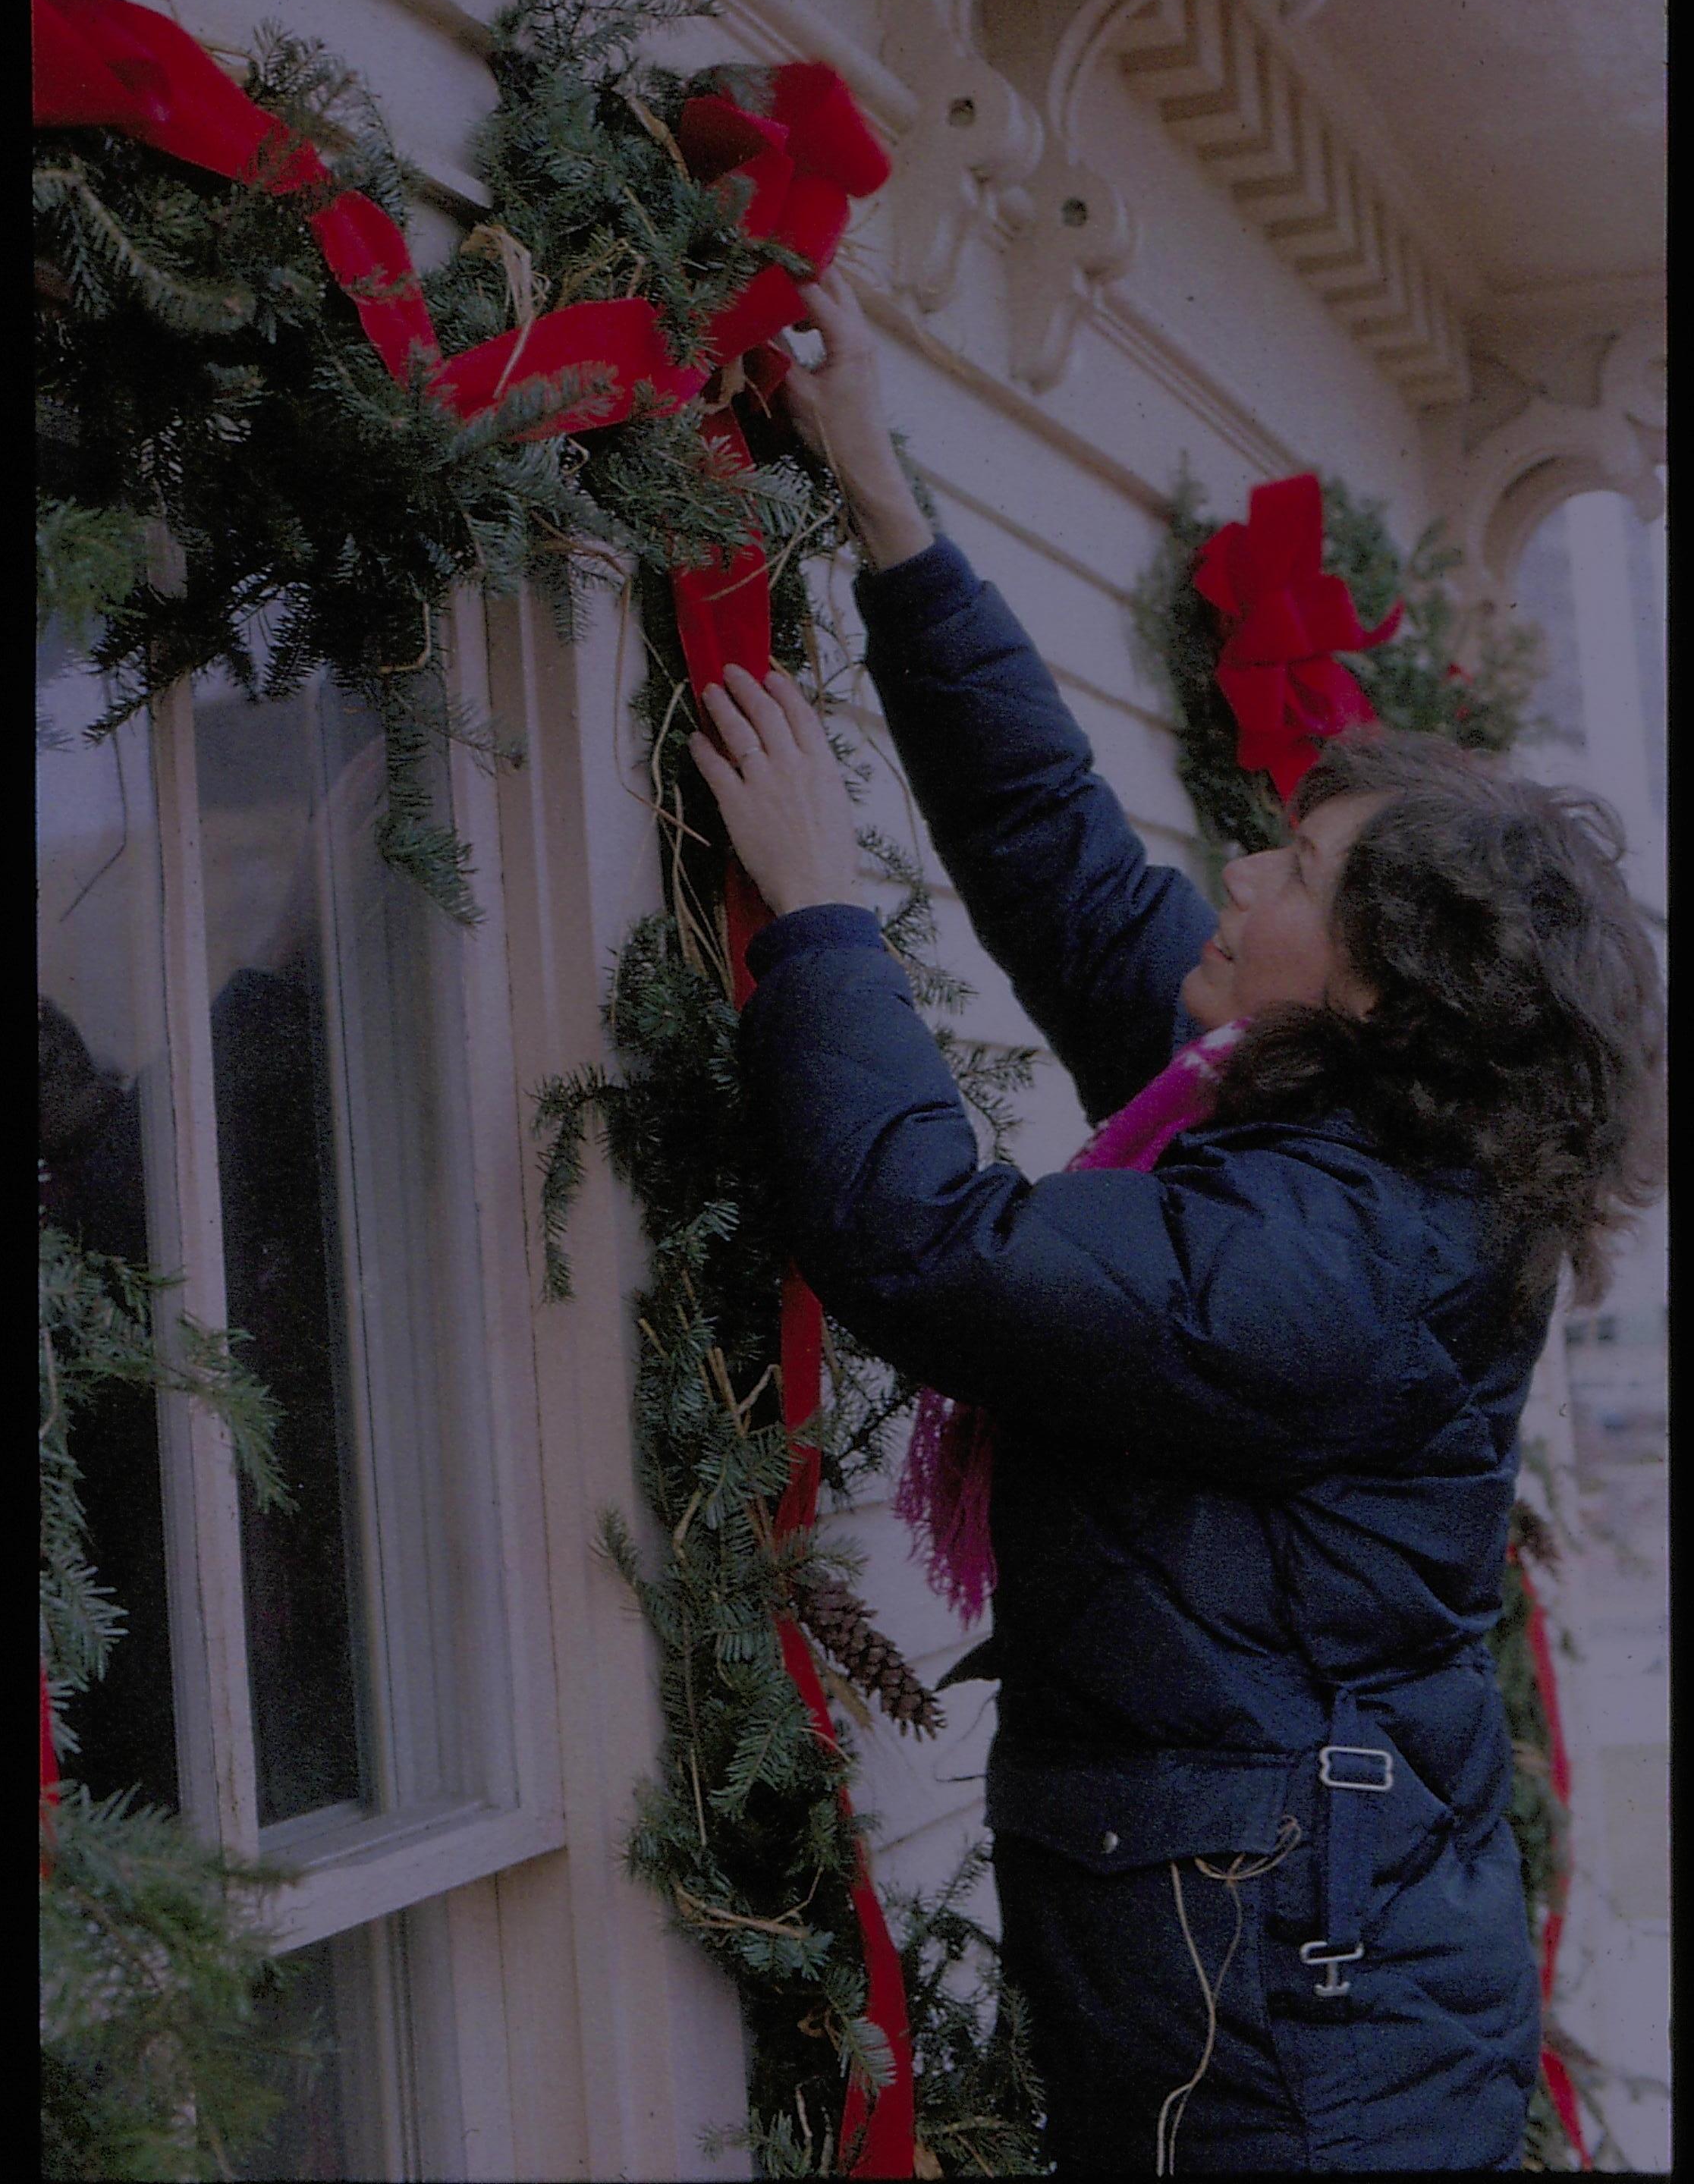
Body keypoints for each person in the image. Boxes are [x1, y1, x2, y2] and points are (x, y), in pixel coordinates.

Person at [686, 266, 1666, 2174]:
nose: (1232, 863)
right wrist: (886, 503)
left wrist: (816, 913)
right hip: (1285, 1972)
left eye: (1289, 866)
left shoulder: (1337, 1255)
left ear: (1378, 987)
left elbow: (932, 1246)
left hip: (1306, 2048)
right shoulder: (1313, 1102)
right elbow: (1057, 858)